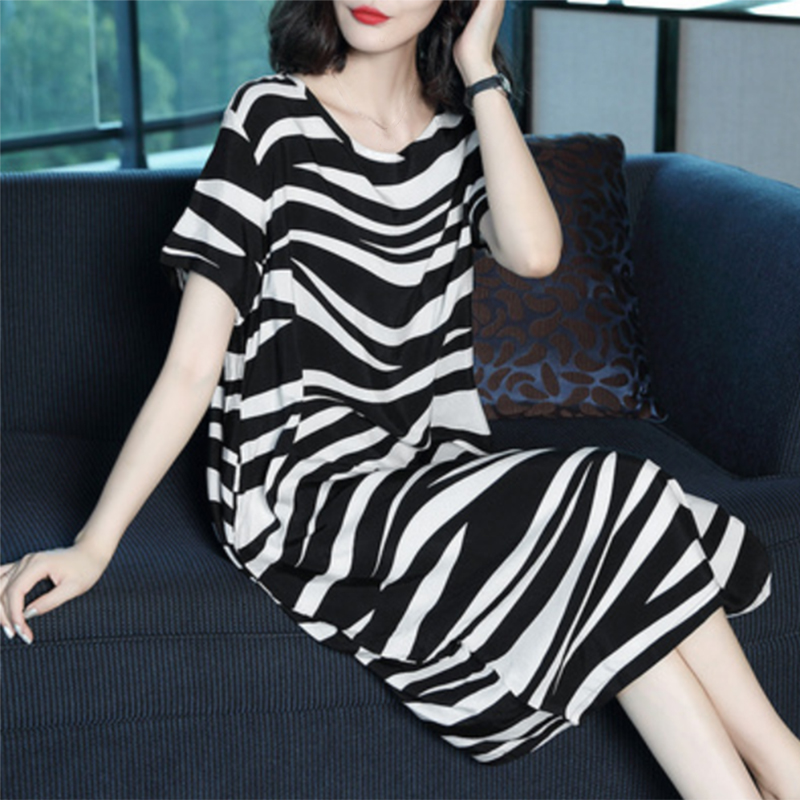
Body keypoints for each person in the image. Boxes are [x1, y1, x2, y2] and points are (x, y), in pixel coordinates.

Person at [2, 1, 799, 796]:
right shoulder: (270, 118)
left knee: (617, 559)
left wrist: (479, 66)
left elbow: (534, 252)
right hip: (298, 488)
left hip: (422, 464)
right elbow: (191, 366)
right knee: (619, 494)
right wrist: (95, 545)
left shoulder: (456, 137)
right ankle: (786, 767)